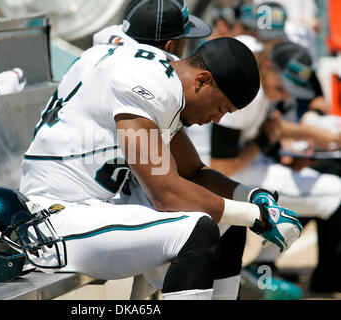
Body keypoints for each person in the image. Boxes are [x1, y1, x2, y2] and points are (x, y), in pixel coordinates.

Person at [19, 7, 303, 298]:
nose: (217, 119)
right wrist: (256, 217)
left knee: (227, 220)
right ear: (202, 81)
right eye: (221, 108)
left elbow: (192, 172)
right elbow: (166, 194)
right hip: (53, 219)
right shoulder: (150, 83)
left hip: (96, 206)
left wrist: (254, 196)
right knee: (196, 231)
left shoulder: (166, 73)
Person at [188, 36, 341, 297]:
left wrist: (305, 140)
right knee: (335, 191)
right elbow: (223, 165)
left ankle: (267, 264)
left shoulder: (261, 84)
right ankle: (323, 278)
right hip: (214, 173)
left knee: (313, 182)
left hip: (239, 165)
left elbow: (273, 130)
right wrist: (266, 141)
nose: (284, 95)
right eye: (282, 88)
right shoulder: (250, 94)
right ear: (267, 65)